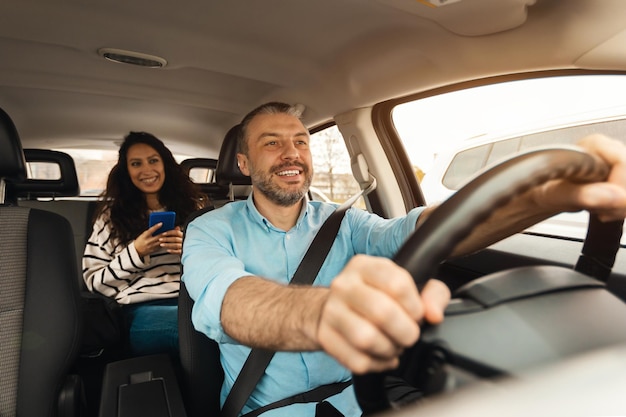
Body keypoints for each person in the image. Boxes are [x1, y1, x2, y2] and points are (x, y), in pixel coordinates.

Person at [181, 102, 626, 416]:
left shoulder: (344, 222)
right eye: (272, 143)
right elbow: (228, 299)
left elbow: (423, 230)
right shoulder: (209, 229)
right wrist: (325, 313)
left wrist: (544, 196)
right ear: (243, 163)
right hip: (268, 411)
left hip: (362, 400)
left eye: (301, 141)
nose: (292, 153)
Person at [83, 131, 209, 358]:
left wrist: (190, 250)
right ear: (126, 171)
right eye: (136, 163)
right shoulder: (110, 218)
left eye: (153, 161)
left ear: (165, 165)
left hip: (196, 301)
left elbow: (218, 267)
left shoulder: (195, 210)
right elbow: (94, 283)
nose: (147, 170)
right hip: (142, 309)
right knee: (202, 331)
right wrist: (135, 253)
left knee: (226, 322)